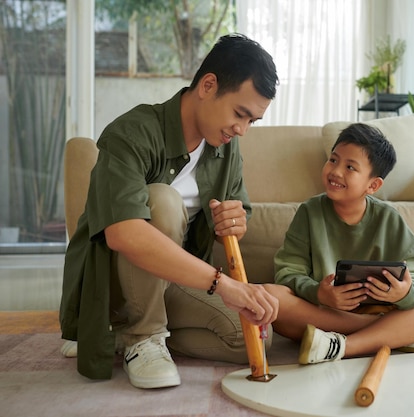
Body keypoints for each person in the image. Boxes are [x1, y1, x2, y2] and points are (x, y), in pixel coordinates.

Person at [59, 33, 280, 389]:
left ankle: (120, 336)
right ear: (208, 85)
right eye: (240, 114)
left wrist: (238, 221)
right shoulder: (132, 133)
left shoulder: (227, 147)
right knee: (162, 200)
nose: (242, 129)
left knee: (252, 338)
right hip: (114, 285)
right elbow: (124, 233)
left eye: (252, 121)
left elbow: (237, 219)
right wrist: (221, 285)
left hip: (172, 280)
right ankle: (142, 337)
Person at [266, 123, 414, 365]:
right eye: (333, 160)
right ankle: (394, 332)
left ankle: (341, 346)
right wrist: (319, 293)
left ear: (373, 185)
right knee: (270, 297)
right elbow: (287, 272)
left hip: (380, 309)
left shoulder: (388, 218)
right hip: (327, 312)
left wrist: (403, 294)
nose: (336, 171)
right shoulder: (310, 212)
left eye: (350, 167)